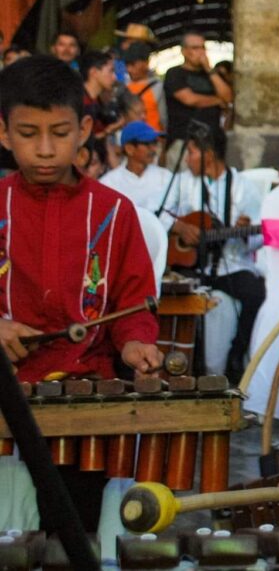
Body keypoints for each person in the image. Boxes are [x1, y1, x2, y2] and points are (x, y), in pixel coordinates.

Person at [0, 55, 161, 530]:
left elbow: (134, 304)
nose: (46, 149)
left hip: (86, 403)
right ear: (4, 133)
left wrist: (134, 342)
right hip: (6, 396)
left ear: (86, 128)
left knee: (74, 536)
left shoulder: (116, 212)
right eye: (28, 135)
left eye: (60, 132)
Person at [160, 127, 264, 379]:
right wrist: (179, 226)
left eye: (192, 153)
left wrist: (245, 232)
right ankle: (181, 365)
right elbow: (157, 213)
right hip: (192, 267)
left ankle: (236, 356)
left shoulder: (242, 186)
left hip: (231, 263)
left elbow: (260, 234)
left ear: (208, 154)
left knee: (255, 292)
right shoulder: (183, 182)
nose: (187, 159)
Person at [163, 32, 233, 158]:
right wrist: (217, 101)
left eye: (203, 47)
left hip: (212, 140)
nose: (201, 52)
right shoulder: (175, 73)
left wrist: (209, 70)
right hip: (184, 141)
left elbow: (227, 98)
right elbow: (189, 99)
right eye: (195, 48)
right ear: (184, 51)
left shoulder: (213, 75)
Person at [100, 121, 173, 212]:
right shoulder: (109, 184)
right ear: (129, 149)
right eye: (147, 144)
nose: (153, 149)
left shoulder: (166, 177)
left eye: (154, 143)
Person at [124, 41, 166, 133]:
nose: (129, 69)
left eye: (133, 64)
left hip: (153, 140)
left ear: (146, 63)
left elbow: (163, 118)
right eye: (127, 65)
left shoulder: (158, 86)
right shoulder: (124, 87)